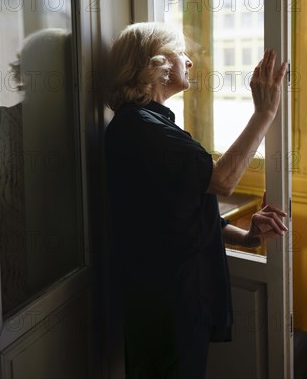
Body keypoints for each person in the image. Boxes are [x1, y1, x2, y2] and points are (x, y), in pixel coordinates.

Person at [105, 22, 288, 379]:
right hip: (167, 305)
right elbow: (222, 181)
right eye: (181, 53)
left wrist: (247, 238)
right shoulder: (142, 128)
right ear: (155, 63)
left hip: (170, 301)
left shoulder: (146, 125)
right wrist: (264, 113)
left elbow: (183, 213)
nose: (189, 62)